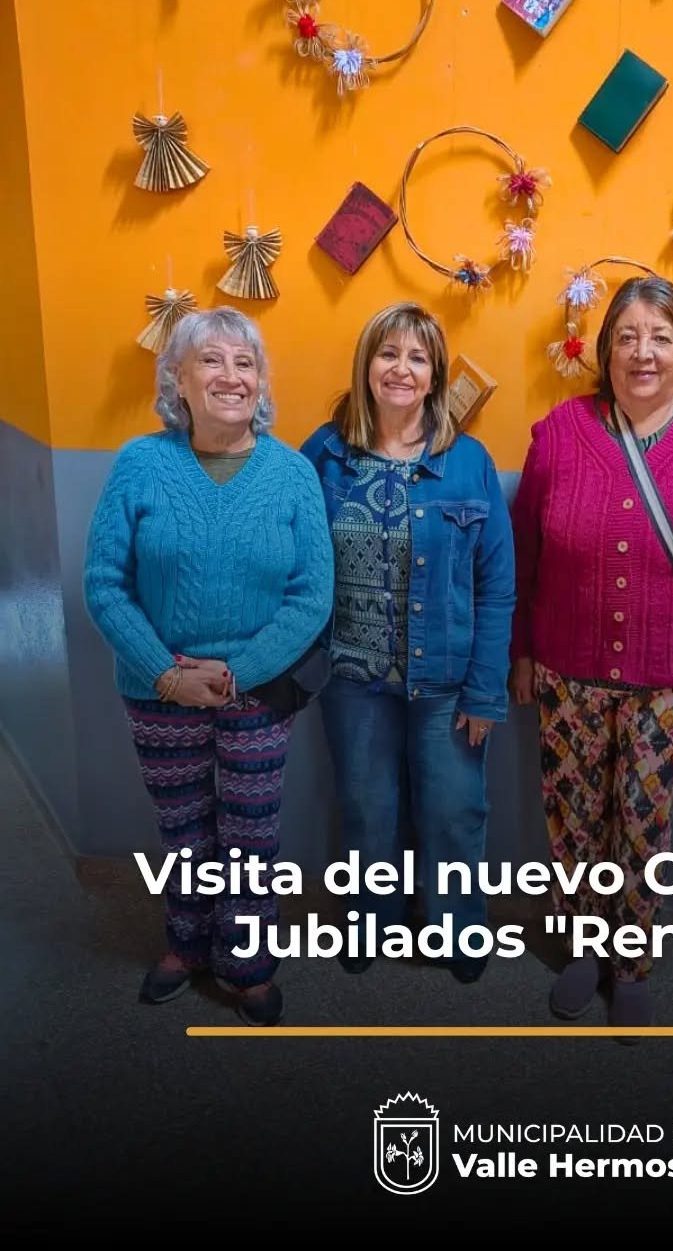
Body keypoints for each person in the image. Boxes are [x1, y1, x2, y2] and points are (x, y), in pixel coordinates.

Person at [510, 276, 673, 1030]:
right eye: (626, 336)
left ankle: (630, 958)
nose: (642, 352)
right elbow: (522, 558)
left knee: (642, 820)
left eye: (660, 337)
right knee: (573, 817)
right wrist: (520, 652)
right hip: (566, 673)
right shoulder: (559, 433)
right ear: (606, 352)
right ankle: (584, 946)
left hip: (670, 683)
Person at [84, 307, 334, 1027]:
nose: (231, 376)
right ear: (178, 380)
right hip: (157, 691)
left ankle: (246, 963)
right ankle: (187, 944)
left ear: (261, 382)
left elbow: (312, 596)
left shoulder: (292, 475)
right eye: (211, 360)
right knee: (183, 830)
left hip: (257, 692)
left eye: (245, 363)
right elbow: (105, 583)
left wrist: (235, 673)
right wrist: (167, 674)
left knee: (251, 836)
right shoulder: (139, 464)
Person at [301, 302, 515, 983]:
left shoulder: (467, 462)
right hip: (351, 679)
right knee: (369, 812)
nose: (401, 369)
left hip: (447, 682)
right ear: (366, 365)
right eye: (388, 353)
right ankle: (374, 923)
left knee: (454, 813)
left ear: (435, 376)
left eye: (417, 358)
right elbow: (295, 562)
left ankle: (458, 931)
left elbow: (497, 587)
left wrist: (485, 692)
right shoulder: (324, 454)